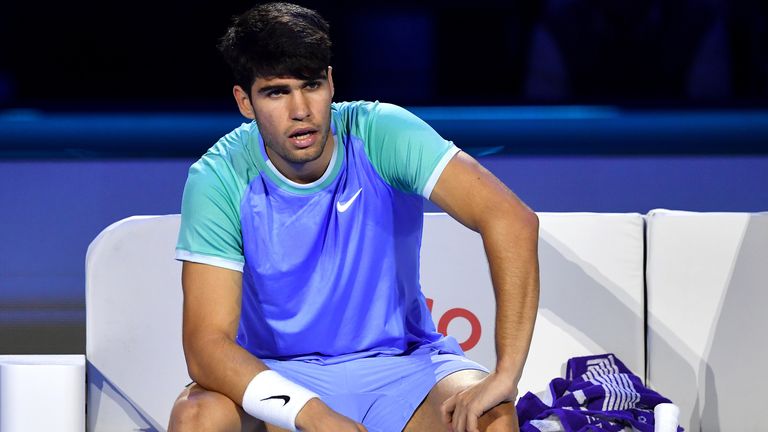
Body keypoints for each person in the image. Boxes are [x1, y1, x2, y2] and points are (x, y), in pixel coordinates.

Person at [168, 3, 539, 431]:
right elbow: (206, 346)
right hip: (278, 373)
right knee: (197, 417)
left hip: (404, 369)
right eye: (276, 92)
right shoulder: (218, 176)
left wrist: (506, 375)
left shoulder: (382, 132)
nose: (301, 109)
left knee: (488, 418)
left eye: (311, 85)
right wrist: (316, 415)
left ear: (330, 81)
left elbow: (512, 220)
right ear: (245, 102)